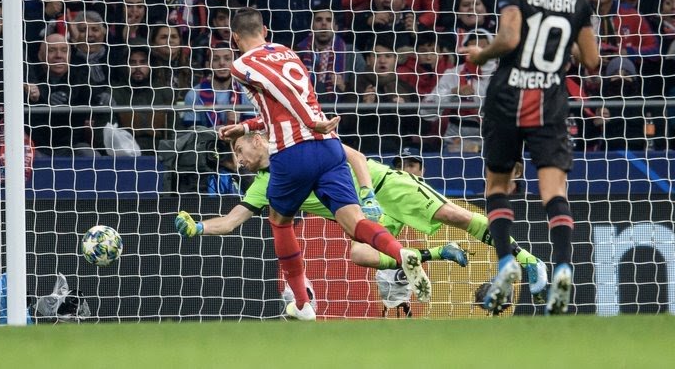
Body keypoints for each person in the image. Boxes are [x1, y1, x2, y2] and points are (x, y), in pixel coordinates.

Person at [217, 7, 431, 321]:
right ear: (265, 30)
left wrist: (309, 122)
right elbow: (283, 105)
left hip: (295, 150)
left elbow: (280, 89)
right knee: (354, 222)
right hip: (329, 146)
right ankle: (400, 253)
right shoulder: (287, 52)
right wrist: (246, 126)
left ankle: (302, 303)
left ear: (235, 38)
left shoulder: (242, 63)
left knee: (279, 221)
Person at [175, 134, 547, 305]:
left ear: (258, 140)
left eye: (239, 151)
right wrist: (199, 227)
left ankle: (529, 261)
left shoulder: (299, 142)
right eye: (235, 157)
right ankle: (435, 253)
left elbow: (353, 155)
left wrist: (367, 193)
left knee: (454, 214)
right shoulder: (262, 186)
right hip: (362, 218)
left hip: (383, 188)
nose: (238, 161)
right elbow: (232, 220)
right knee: (359, 254)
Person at [459, 0, 600, 315]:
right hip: (550, 103)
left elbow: (509, 38)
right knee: (554, 191)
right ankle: (564, 266)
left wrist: (480, 55)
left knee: (498, 185)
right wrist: (563, 46)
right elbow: (592, 60)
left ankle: (506, 262)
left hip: (507, 98)